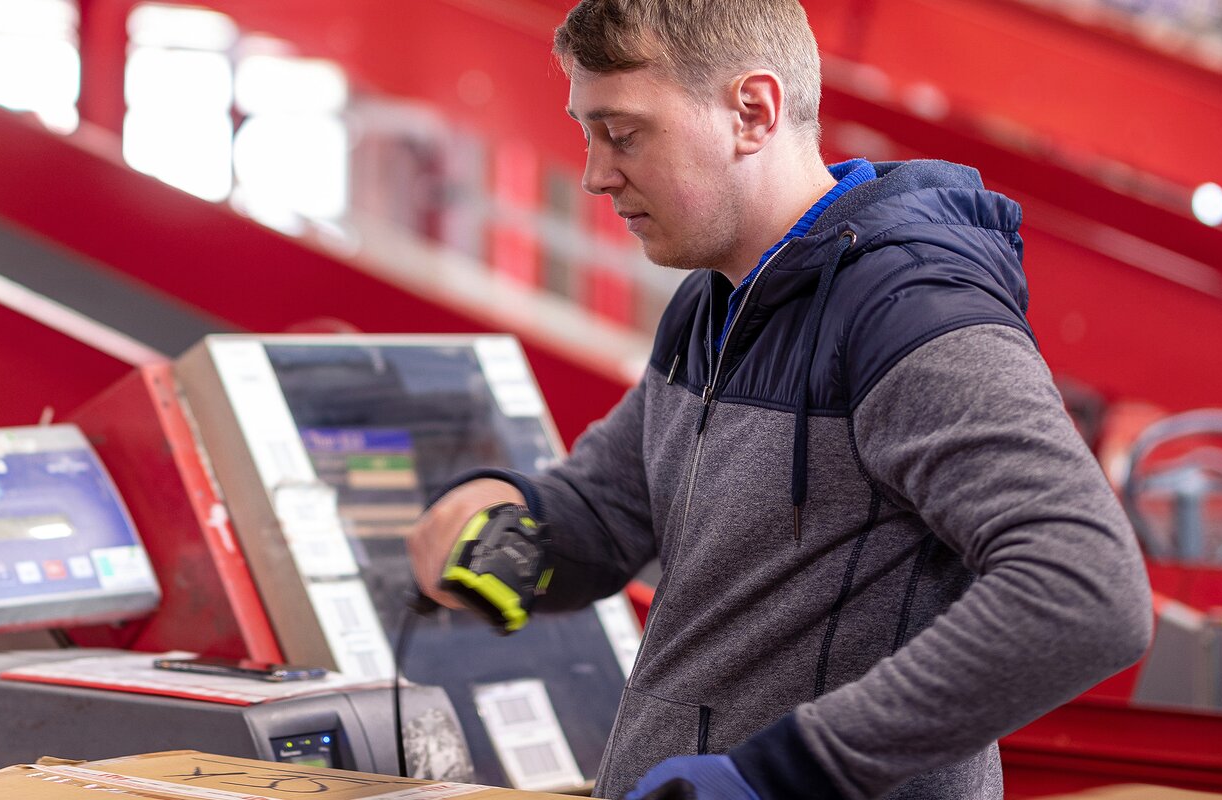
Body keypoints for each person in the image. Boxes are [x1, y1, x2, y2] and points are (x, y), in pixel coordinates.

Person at [406, 1, 1154, 798]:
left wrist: (790, 773)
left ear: (752, 111)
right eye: (587, 133)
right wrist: (508, 517)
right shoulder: (714, 299)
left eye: (623, 133)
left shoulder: (907, 308)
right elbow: (610, 507)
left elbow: (1087, 588)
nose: (595, 173)